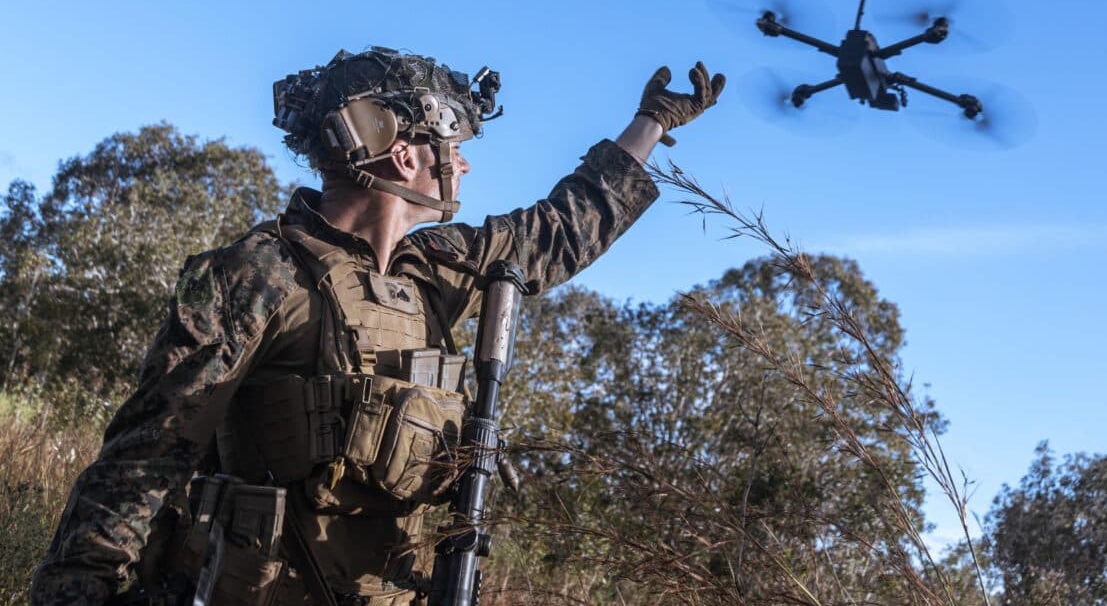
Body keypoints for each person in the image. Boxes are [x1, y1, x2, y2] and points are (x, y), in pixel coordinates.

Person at [31, 46, 724, 605]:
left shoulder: (435, 269)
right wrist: (77, 589)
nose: (465, 163)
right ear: (404, 155)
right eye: (453, 143)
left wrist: (651, 124)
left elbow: (558, 231)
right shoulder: (258, 274)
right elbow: (143, 458)